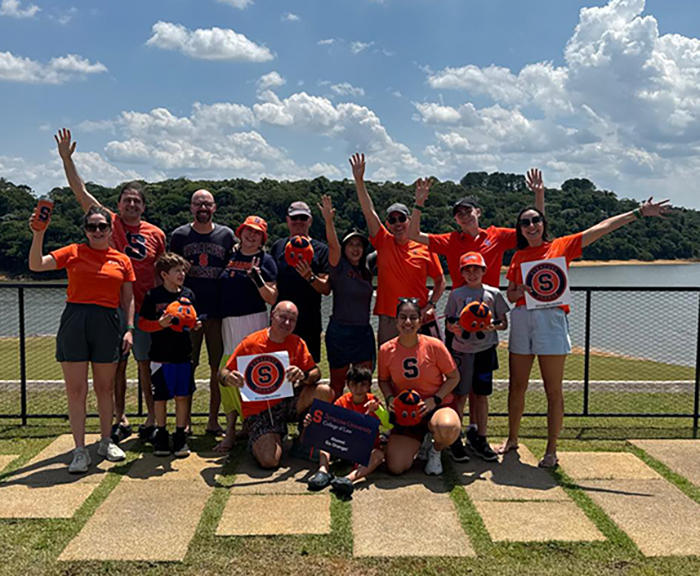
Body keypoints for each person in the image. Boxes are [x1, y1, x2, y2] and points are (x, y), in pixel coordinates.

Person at [498, 198, 670, 467]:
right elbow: (510, 294)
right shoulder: (518, 256)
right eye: (525, 223)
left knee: (552, 389)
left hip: (551, 319)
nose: (531, 226)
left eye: (536, 220)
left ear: (544, 224)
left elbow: (601, 227)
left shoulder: (560, 246)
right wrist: (520, 291)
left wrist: (637, 213)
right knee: (516, 385)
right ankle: (512, 439)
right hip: (522, 319)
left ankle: (551, 448)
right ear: (519, 229)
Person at [409, 168, 544, 439]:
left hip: (488, 315)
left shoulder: (496, 235)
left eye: (468, 210)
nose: (464, 215)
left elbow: (533, 229)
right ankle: (455, 433)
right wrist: (419, 203)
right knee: (458, 381)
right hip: (459, 317)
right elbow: (414, 235)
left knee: (481, 387)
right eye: (459, 213)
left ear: (478, 212)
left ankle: (476, 432)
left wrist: (538, 195)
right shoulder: (450, 240)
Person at [56, 129, 166, 445]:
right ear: (117, 204)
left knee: (145, 365)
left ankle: (149, 418)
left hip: (142, 307)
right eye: (126, 199)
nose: (131, 204)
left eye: (137, 201)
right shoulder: (108, 222)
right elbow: (80, 191)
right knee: (114, 369)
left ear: (143, 206)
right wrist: (67, 160)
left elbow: (161, 274)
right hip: (106, 309)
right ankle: (120, 418)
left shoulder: (155, 233)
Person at [29, 204, 134, 473]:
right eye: (92, 226)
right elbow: (36, 265)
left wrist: (129, 329)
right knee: (76, 390)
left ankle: (105, 441)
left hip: (109, 322)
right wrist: (39, 233)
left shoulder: (122, 259)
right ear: (85, 230)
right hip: (76, 320)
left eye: (102, 226)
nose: (97, 231)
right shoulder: (73, 252)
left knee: (105, 388)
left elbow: (128, 298)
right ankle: (79, 450)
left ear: (111, 230)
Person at [219, 301, 333, 469]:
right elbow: (223, 373)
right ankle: (262, 437)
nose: (287, 323)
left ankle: (303, 441)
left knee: (325, 391)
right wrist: (229, 378)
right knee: (269, 461)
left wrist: (304, 376)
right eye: (283, 317)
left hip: (287, 402)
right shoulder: (250, 343)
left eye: (292, 320)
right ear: (272, 315)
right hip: (259, 410)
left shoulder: (297, 342)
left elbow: (316, 372)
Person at [350, 153, 445, 346]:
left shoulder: (425, 245)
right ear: (387, 224)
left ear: (410, 220)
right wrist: (359, 181)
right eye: (392, 220)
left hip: (417, 318)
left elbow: (440, 281)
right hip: (389, 319)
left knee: (422, 369)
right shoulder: (383, 241)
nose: (398, 223)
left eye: (402, 218)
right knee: (388, 369)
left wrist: (431, 305)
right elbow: (369, 210)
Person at [170, 190, 236, 434]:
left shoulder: (226, 235)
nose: (202, 207)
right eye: (198, 203)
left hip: (218, 312)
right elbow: (168, 270)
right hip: (188, 312)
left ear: (214, 207)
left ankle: (212, 420)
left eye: (207, 203)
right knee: (187, 366)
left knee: (218, 368)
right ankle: (184, 421)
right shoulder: (179, 236)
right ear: (191, 207)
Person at [215, 215, 278, 452]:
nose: (251, 236)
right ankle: (232, 429)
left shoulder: (266, 260)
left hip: (254, 320)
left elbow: (272, 297)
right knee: (228, 371)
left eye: (257, 233)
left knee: (252, 372)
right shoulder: (229, 256)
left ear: (262, 239)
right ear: (240, 232)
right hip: (228, 321)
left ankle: (253, 425)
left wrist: (257, 277)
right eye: (248, 231)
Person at [378, 299, 461, 476]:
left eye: (413, 317)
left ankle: (435, 450)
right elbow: (383, 380)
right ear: (396, 321)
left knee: (448, 427)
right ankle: (422, 440)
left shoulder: (434, 345)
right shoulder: (386, 349)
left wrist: (435, 399)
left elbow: (454, 377)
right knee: (395, 467)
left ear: (420, 320)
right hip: (407, 412)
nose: (408, 322)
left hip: (436, 406)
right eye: (403, 317)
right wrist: (390, 399)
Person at [444, 252, 509, 462]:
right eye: (467, 269)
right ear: (462, 272)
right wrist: (453, 327)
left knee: (481, 395)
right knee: (460, 395)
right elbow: (449, 321)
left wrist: (493, 326)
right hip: (462, 351)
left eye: (476, 269)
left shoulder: (494, 294)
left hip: (485, 350)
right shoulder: (456, 294)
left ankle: (480, 438)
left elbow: (503, 323)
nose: (472, 273)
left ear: (483, 271)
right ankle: (455, 438)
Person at [138, 253, 202, 458]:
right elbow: (142, 324)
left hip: (183, 354)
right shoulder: (153, 296)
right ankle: (162, 434)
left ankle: (180, 435)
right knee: (161, 398)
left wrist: (195, 324)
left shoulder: (189, 294)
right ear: (164, 274)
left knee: (182, 396)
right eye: (177, 271)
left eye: (183, 270)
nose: (182, 274)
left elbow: (192, 319)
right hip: (160, 357)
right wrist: (159, 324)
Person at [318, 194, 375, 398]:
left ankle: (362, 424)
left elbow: (388, 245)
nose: (355, 249)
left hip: (363, 332)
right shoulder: (338, 266)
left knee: (364, 382)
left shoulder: (368, 267)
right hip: (340, 333)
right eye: (351, 245)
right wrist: (328, 221)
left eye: (359, 245)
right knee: (338, 383)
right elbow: (333, 245)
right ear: (345, 248)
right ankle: (337, 424)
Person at [305, 365, 385, 497]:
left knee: (379, 455)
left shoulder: (374, 402)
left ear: (369, 385)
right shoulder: (342, 401)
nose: (359, 389)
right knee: (325, 433)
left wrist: (378, 411)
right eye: (354, 384)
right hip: (343, 447)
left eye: (363, 385)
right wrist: (312, 422)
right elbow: (328, 423)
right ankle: (323, 470)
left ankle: (348, 479)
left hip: (365, 451)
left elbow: (387, 424)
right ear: (347, 385)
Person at [269, 202, 331, 363]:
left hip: (309, 321)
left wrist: (310, 276)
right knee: (278, 368)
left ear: (310, 221)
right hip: (280, 321)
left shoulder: (321, 249)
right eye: (294, 217)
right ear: (287, 220)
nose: (298, 221)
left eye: (303, 217)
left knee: (307, 372)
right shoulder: (277, 247)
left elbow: (325, 288)